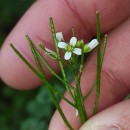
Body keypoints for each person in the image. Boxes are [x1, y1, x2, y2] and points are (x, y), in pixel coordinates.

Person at [0, 0, 130, 129]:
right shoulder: (70, 52)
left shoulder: (73, 51)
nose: (69, 49)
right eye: (68, 48)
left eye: (70, 48)